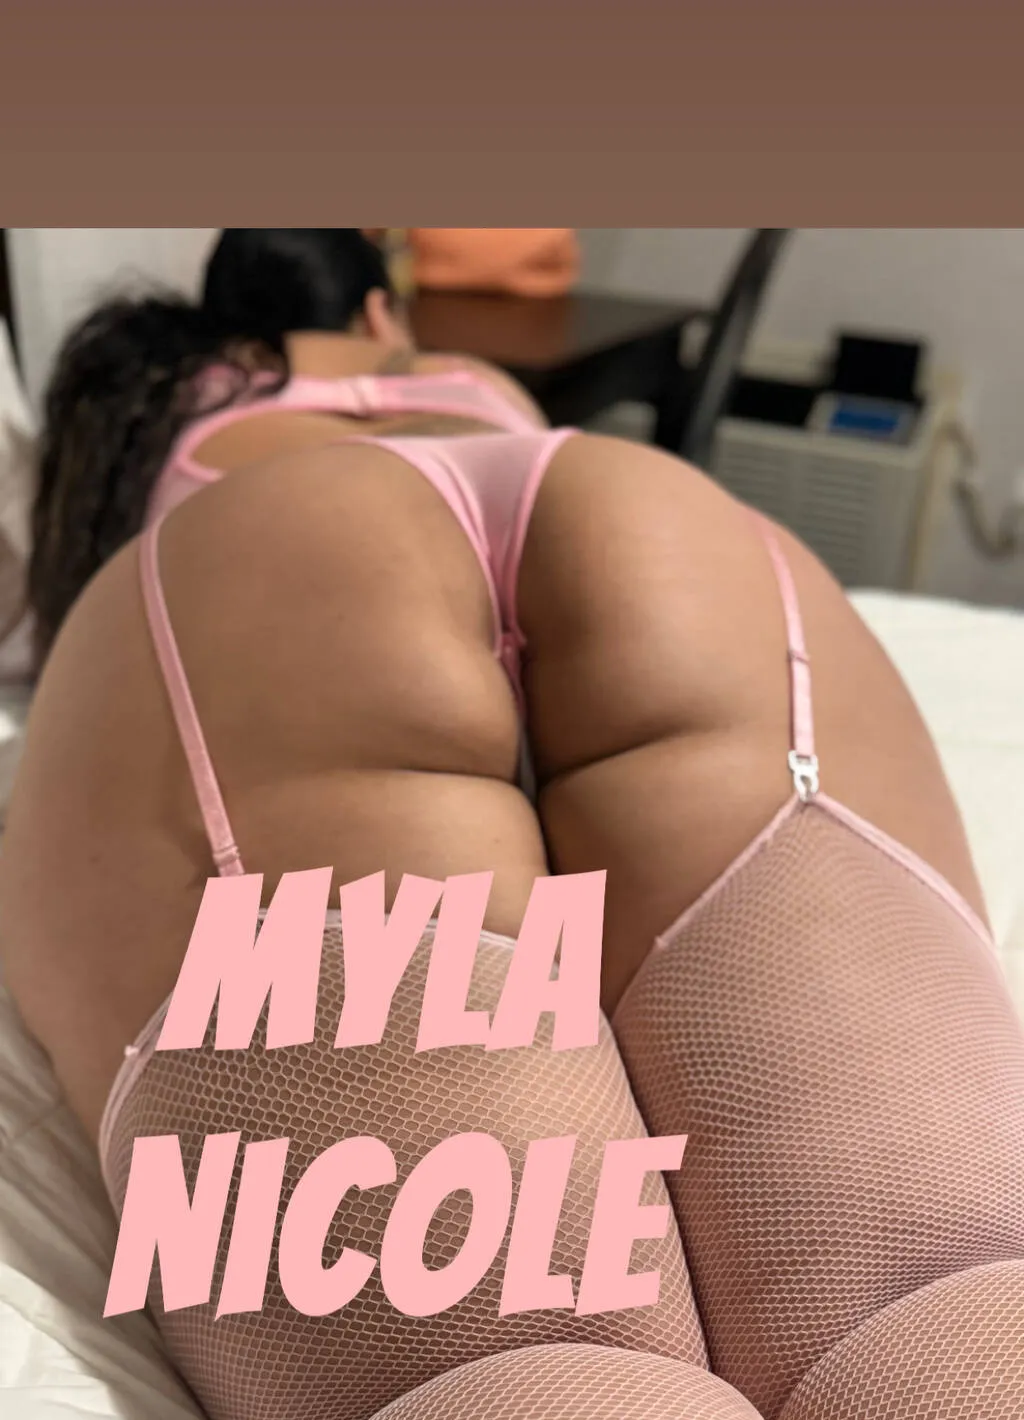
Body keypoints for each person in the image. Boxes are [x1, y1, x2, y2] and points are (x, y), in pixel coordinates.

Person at [1, 227, 1022, 1420]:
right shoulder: (469, 378)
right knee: (937, 1303)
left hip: (276, 564)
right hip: (639, 517)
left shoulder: (165, 402)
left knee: (507, 1369)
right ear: (379, 316)